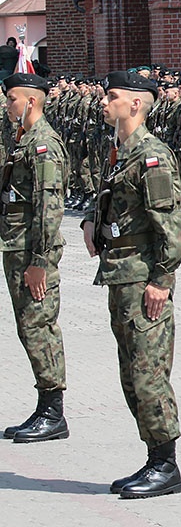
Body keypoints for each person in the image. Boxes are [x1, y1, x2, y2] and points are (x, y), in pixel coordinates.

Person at [81, 71, 181, 498]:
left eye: (112, 97)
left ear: (136, 104)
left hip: (144, 278)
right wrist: (93, 221)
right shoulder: (120, 151)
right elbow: (115, 201)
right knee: (131, 374)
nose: (103, 103)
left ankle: (167, 466)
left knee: (149, 375)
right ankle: (152, 459)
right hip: (119, 275)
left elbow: (176, 228)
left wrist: (162, 280)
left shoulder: (152, 156)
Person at [1, 73, 70, 443]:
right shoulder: (22, 140)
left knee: (39, 327)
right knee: (28, 327)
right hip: (17, 246)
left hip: (31, 251)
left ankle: (53, 412)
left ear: (31, 101)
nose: (7, 104)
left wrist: (39, 260)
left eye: (11, 98)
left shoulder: (43, 145)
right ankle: (44, 406)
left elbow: (49, 207)